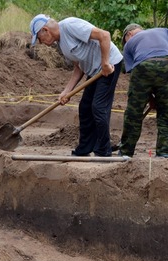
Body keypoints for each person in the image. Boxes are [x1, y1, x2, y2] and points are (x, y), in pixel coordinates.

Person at [30, 14, 123, 157]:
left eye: (39, 39)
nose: (41, 43)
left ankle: (103, 150)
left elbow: (104, 35)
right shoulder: (60, 44)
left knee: (98, 107)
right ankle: (85, 148)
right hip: (94, 71)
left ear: (45, 30)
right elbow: (78, 68)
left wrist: (105, 63)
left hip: (109, 65)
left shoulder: (70, 26)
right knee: (85, 107)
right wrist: (66, 92)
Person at [118, 23, 168, 158]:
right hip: (166, 62)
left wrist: (149, 99)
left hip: (142, 66)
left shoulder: (128, 46)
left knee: (134, 114)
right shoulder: (161, 31)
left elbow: (138, 84)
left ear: (128, 35)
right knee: (166, 112)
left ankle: (125, 152)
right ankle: (163, 152)